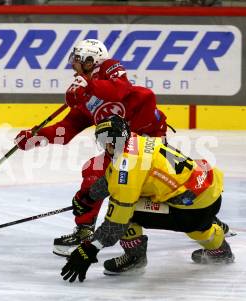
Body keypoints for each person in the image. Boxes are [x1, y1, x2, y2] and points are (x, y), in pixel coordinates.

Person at [15, 39, 231, 257]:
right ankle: (205, 220)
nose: (73, 65)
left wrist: (88, 87)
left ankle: (203, 219)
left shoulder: (109, 67)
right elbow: (66, 130)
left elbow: (120, 90)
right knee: (110, 177)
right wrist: (35, 138)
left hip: (147, 140)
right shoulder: (84, 97)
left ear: (90, 61)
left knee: (145, 182)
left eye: (77, 60)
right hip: (122, 144)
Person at [60, 115, 235, 283]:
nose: (108, 145)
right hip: (208, 192)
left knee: (129, 210)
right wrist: (88, 197)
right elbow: (111, 177)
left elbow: (118, 221)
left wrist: (90, 248)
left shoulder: (127, 165)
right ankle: (219, 249)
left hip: (191, 210)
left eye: (111, 140)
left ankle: (134, 257)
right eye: (104, 140)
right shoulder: (136, 140)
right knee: (199, 227)